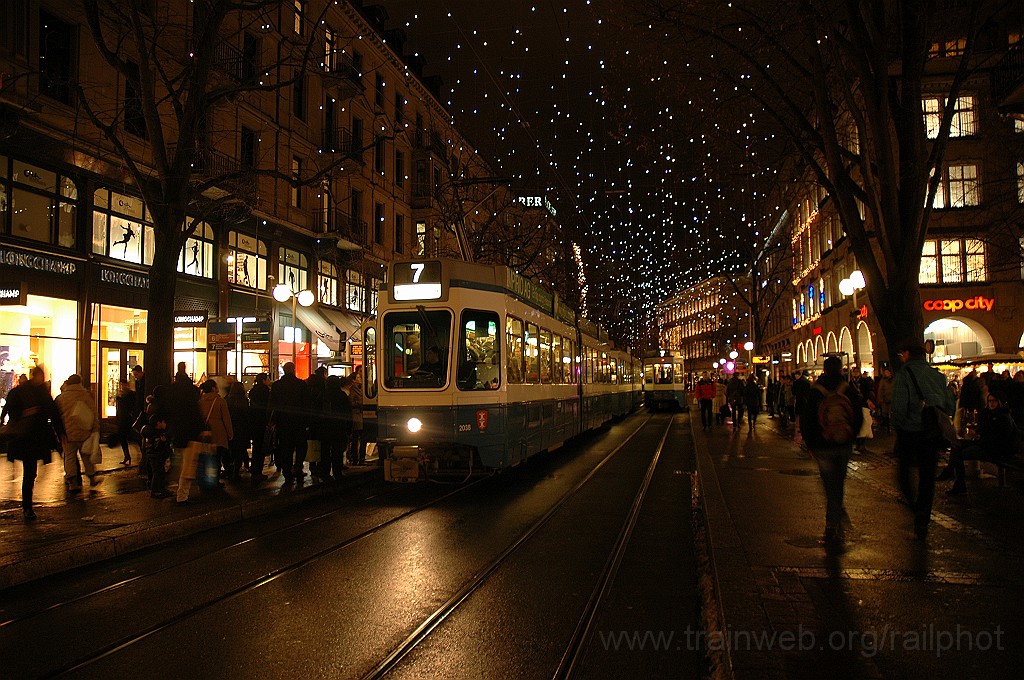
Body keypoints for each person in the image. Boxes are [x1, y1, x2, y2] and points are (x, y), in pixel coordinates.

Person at [891, 342, 956, 539]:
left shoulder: (903, 375)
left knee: (904, 474)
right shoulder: (937, 375)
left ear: (908, 354)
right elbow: (949, 405)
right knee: (927, 477)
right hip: (931, 433)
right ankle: (923, 516)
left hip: (910, 431)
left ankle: (915, 507)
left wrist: (898, 425)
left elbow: (899, 406)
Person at [800, 356, 864, 550]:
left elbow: (807, 418)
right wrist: (852, 437)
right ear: (841, 368)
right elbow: (858, 415)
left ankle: (833, 519)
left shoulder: (816, 391)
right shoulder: (848, 389)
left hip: (822, 444)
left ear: (824, 370)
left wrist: (810, 443)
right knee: (840, 480)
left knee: (829, 481)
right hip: (843, 443)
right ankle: (835, 513)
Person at [3, 366, 63, 520]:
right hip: (29, 439)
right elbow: (53, 414)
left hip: (29, 439)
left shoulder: (27, 392)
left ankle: (27, 506)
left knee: (30, 472)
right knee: (30, 472)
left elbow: (53, 414)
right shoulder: (33, 393)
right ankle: (27, 506)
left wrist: (60, 432)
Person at [937, 393, 1018, 495]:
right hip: (985, 444)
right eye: (990, 401)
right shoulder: (990, 414)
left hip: (994, 448)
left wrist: (980, 435)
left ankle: (955, 479)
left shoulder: (1003, 417)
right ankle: (951, 474)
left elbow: (997, 437)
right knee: (956, 445)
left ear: (999, 402)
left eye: (994, 401)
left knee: (959, 454)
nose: (991, 404)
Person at [54, 374, 101, 493]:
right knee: (86, 455)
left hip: (68, 433)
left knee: (69, 457)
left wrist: (59, 432)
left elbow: (56, 416)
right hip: (84, 432)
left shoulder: (61, 397)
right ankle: (91, 477)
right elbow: (93, 413)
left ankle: (72, 482)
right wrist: (95, 429)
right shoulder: (85, 395)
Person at [166, 364, 204, 505]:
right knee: (188, 465)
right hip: (190, 433)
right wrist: (202, 428)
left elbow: (168, 410)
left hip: (176, 431)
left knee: (179, 462)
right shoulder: (191, 390)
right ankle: (182, 495)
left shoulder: (172, 390)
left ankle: (177, 489)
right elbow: (195, 412)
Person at [270, 362, 310, 483]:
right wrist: (307, 421)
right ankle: (298, 468)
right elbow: (306, 404)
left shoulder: (277, 386)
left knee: (285, 448)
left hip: (283, 422)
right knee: (301, 446)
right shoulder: (301, 384)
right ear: (293, 370)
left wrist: (273, 421)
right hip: (299, 422)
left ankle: (286, 472)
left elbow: (272, 405)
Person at [198, 379, 232, 484]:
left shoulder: (200, 402)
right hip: (218, 433)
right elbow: (226, 419)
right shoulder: (220, 401)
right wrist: (230, 434)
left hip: (204, 433)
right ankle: (214, 480)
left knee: (205, 456)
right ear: (213, 388)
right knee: (216, 458)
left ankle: (204, 479)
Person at [321, 375, 354, 479]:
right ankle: (337, 471)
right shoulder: (342, 396)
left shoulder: (323, 395)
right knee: (337, 451)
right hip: (338, 427)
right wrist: (349, 428)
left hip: (325, 427)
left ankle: (325, 472)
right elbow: (348, 413)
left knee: (325, 451)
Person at [142, 386, 172, 498]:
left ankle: (158, 488)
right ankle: (156, 490)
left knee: (157, 468)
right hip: (156, 443)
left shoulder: (151, 405)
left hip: (152, 443)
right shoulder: (158, 407)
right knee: (158, 469)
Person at [248, 373, 271, 485]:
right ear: (263, 380)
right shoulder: (265, 391)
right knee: (261, 447)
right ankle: (258, 472)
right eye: (267, 379)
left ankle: (254, 469)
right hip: (262, 422)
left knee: (256, 446)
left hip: (253, 422)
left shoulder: (253, 391)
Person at [225, 381, 251, 480]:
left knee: (233, 449)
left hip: (231, 427)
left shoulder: (228, 400)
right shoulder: (243, 400)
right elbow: (247, 415)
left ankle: (231, 470)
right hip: (242, 428)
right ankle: (236, 471)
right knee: (240, 450)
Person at [306, 366, 328, 479]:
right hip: (321, 418)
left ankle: (312, 465)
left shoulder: (307, 384)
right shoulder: (323, 386)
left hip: (310, 418)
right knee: (322, 443)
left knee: (311, 442)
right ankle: (320, 466)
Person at [114, 378, 136, 465]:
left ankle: (128, 456)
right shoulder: (120, 395)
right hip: (122, 418)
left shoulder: (130, 394)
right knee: (122, 437)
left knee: (129, 436)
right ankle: (126, 455)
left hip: (127, 419)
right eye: (121, 385)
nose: (122, 387)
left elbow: (132, 406)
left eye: (123, 384)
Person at [347, 366, 365, 465]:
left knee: (361, 438)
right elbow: (351, 402)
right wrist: (359, 403)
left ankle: (360, 458)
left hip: (360, 417)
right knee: (355, 439)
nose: (360, 379)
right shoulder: (352, 390)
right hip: (355, 417)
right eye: (358, 378)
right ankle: (355, 458)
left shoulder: (363, 388)